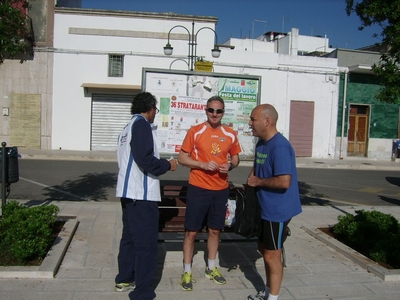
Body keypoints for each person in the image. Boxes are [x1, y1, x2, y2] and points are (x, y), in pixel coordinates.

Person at [115, 92, 177, 300]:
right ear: (150, 108)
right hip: (141, 195)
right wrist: (168, 165)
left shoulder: (126, 128)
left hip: (128, 193)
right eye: (155, 111)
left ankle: (124, 278)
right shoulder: (141, 125)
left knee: (130, 239)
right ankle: (142, 291)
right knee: (146, 245)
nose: (155, 115)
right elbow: (146, 160)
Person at [177, 95, 242, 291]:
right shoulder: (196, 131)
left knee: (215, 230)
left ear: (223, 113)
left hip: (220, 189)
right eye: (211, 110)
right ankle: (187, 271)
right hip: (198, 188)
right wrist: (202, 164)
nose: (214, 114)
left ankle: (211, 268)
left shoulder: (230, 134)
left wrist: (228, 166)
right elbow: (182, 158)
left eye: (218, 111)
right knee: (191, 232)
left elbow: (236, 160)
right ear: (205, 111)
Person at [246, 104, 302, 300]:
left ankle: (273, 298)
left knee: (272, 255)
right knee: (264, 250)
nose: (250, 123)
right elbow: (257, 169)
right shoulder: (262, 143)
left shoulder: (280, 146)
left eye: (253, 119)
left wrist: (257, 181)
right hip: (264, 207)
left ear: (267, 121)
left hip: (277, 210)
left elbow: (284, 181)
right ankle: (269, 291)